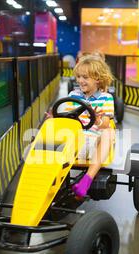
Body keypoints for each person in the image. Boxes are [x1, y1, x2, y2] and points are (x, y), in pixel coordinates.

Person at [47, 56, 115, 198]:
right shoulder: (73, 95)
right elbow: (67, 117)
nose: (80, 81)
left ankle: (87, 180)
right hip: (73, 141)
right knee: (49, 132)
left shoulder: (106, 98)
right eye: (78, 77)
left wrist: (97, 121)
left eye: (85, 77)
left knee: (108, 132)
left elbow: (106, 124)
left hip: (93, 141)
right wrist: (55, 118)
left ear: (97, 78)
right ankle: (48, 180)